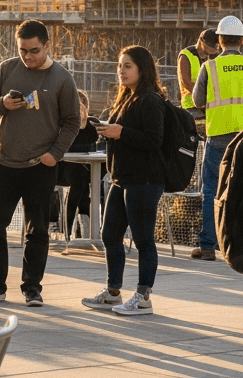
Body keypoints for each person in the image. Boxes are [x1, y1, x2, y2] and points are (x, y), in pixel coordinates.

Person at [0, 20, 81, 307]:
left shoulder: (62, 78)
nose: (28, 57)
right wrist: (2, 104)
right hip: (3, 163)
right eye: (22, 51)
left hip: (40, 167)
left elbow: (72, 122)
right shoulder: (7, 68)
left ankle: (32, 287)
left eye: (34, 51)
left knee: (37, 230)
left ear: (47, 46)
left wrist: (55, 153)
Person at [80, 45, 166, 316]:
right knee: (110, 235)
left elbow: (155, 140)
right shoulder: (126, 98)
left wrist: (121, 133)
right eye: (120, 66)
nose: (121, 71)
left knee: (143, 240)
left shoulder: (150, 100)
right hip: (121, 178)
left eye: (128, 66)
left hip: (145, 179)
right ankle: (113, 292)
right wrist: (109, 130)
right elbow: (126, 132)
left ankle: (143, 297)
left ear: (143, 69)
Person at [191, 16, 243, 261]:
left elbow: (198, 100)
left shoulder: (209, 67)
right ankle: (242, 245)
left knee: (211, 190)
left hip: (218, 134)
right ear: (242, 40)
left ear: (219, 40)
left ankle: (208, 245)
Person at [56, 90, 101, 237]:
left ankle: (74, 228)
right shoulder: (62, 124)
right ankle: (82, 227)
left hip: (86, 173)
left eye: (83, 105)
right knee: (79, 179)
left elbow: (98, 146)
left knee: (82, 179)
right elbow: (64, 149)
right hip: (61, 171)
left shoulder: (93, 124)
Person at [177, 28, 219, 120]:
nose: (215, 50)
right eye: (213, 47)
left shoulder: (212, 58)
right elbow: (186, 82)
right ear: (202, 42)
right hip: (191, 107)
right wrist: (204, 97)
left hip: (209, 106)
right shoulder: (186, 55)